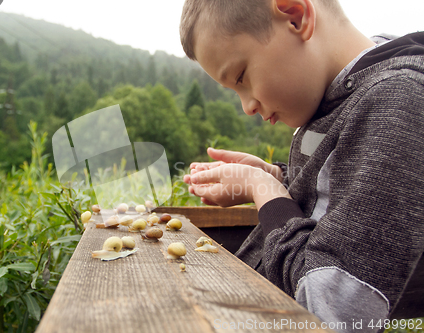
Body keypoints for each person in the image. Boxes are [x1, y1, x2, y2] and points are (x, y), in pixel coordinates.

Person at [180, 0, 424, 330]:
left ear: (296, 17)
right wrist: (280, 176)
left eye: (241, 76)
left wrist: (264, 190)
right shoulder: (343, 96)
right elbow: (349, 189)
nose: (247, 106)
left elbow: (332, 312)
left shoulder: (397, 101)